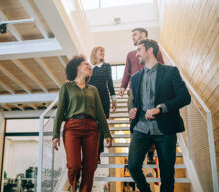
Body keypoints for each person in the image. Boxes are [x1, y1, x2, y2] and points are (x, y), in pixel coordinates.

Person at [128, 39, 191, 192]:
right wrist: (133, 110)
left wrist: (160, 108)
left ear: (150, 50)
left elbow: (185, 97)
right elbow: (136, 102)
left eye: (139, 50)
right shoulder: (135, 78)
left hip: (165, 130)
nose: (136, 54)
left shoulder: (171, 72)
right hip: (141, 128)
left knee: (167, 174)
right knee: (133, 165)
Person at [52, 55, 112, 192]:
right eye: (87, 65)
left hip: (92, 129)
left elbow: (100, 113)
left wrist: (107, 133)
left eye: (91, 66)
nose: (90, 67)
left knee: (90, 167)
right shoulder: (67, 87)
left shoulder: (93, 90)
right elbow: (60, 112)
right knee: (74, 165)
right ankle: (73, 186)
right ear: (77, 67)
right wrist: (55, 134)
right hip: (72, 127)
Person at [119, 27, 164, 164]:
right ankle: (134, 152)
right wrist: (122, 86)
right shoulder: (130, 54)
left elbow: (161, 67)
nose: (132, 37)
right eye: (132, 35)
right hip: (134, 91)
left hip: (151, 91)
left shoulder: (154, 51)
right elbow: (127, 71)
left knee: (150, 119)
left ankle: (150, 153)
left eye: (135, 34)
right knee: (133, 120)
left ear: (144, 35)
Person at [88, 46, 117, 164]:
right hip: (91, 100)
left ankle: (97, 154)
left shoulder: (106, 66)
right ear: (94, 53)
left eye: (104, 52)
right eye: (101, 51)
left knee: (100, 127)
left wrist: (114, 99)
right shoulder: (89, 68)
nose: (103, 53)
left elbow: (110, 82)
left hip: (104, 99)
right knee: (93, 127)